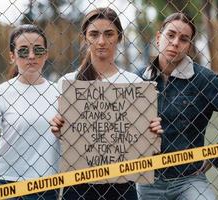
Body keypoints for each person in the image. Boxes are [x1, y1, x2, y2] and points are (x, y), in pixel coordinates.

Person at [50, 7, 163, 200]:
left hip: (121, 184)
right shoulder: (68, 83)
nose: (101, 41)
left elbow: (148, 149)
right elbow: (62, 140)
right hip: (78, 184)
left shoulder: (134, 84)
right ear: (85, 38)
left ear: (119, 37)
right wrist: (58, 128)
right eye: (94, 34)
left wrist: (153, 133)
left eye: (109, 34)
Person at [136, 12, 218, 200]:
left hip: (189, 179)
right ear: (158, 37)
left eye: (184, 39)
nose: (175, 43)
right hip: (146, 178)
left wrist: (216, 154)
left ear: (189, 46)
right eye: (170, 35)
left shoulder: (204, 80)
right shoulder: (138, 79)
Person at [0, 24, 60, 200]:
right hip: (2, 184)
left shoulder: (60, 93)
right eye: (23, 51)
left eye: (38, 50)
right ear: (12, 56)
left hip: (44, 186)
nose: (31, 56)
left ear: (46, 54)